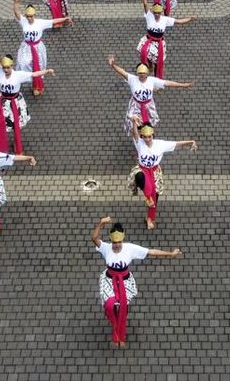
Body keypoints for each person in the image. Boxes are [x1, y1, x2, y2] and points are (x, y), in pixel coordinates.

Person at [90, 216, 181, 347]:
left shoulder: (130, 248)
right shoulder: (106, 248)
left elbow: (151, 252)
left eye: (119, 242)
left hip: (124, 281)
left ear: (122, 240)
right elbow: (94, 238)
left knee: (123, 308)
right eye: (114, 242)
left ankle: (120, 336)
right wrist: (101, 223)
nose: (116, 245)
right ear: (111, 241)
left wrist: (170, 254)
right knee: (110, 305)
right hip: (109, 280)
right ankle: (116, 327)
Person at [126, 115, 197, 229]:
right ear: (142, 136)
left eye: (149, 137)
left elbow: (177, 144)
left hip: (154, 172)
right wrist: (134, 122)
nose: (147, 139)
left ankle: (149, 218)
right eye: (145, 137)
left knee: (155, 198)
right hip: (142, 170)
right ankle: (147, 197)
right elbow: (135, 133)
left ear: (153, 135)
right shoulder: (139, 143)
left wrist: (190, 142)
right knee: (139, 176)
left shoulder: (161, 144)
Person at [0, 44, 53, 155]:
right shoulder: (0, 72)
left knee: (17, 124)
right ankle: (5, 143)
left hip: (15, 101)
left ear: (12, 66)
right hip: (3, 102)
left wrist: (46, 71)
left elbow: (34, 74)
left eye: (8, 67)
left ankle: (16, 143)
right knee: (4, 124)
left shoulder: (18, 75)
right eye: (4, 67)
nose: (6, 69)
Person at [108, 54, 192, 135]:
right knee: (134, 124)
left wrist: (182, 85)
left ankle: (147, 136)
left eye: (143, 74)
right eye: (139, 74)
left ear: (147, 73)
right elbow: (122, 72)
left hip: (148, 105)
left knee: (148, 124)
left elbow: (167, 83)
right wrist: (113, 65)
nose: (141, 76)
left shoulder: (152, 80)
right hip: (135, 105)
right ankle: (137, 139)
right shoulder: (132, 79)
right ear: (137, 73)